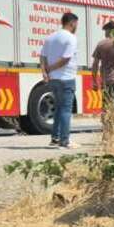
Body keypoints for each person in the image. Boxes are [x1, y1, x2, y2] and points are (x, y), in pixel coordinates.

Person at [39, 12, 79, 149]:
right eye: (76, 24)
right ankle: (65, 140)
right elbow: (66, 58)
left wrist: (45, 71)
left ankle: (55, 139)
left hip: (54, 80)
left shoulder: (50, 37)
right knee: (66, 110)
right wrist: (49, 68)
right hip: (66, 78)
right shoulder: (71, 38)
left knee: (58, 109)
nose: (76, 27)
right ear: (72, 23)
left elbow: (42, 56)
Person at [90, 21, 114, 115]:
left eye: (105, 31)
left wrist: (94, 81)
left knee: (106, 108)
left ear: (109, 31)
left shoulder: (101, 44)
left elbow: (95, 64)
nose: (105, 34)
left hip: (106, 82)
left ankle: (107, 128)